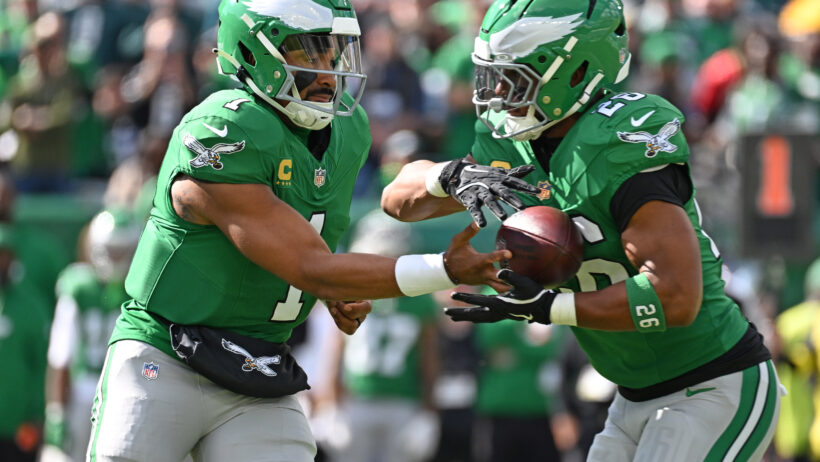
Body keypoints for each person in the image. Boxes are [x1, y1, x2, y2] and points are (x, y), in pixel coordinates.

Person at [86, 2, 534, 462]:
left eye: (334, 55)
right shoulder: (224, 130)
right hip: (166, 357)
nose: (327, 74)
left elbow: (312, 232)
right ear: (254, 51)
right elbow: (309, 264)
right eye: (309, 54)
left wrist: (447, 175)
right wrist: (441, 268)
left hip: (256, 368)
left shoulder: (348, 129)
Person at [381, 0, 782, 461]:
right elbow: (397, 201)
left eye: (513, 79)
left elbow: (675, 295)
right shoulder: (511, 144)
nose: (497, 96)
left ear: (573, 71)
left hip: (713, 382)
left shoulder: (619, 141)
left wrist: (547, 306)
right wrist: (448, 175)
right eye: (492, 78)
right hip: (630, 396)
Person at [43, 209, 142, 462]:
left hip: (130, 389)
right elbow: (60, 355)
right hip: (83, 391)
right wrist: (56, 411)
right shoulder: (79, 288)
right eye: (111, 250)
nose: (116, 258)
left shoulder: (141, 289)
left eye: (122, 250)